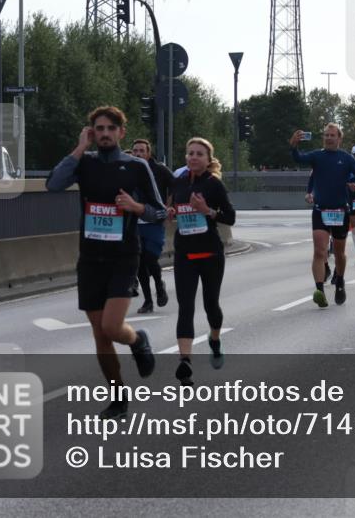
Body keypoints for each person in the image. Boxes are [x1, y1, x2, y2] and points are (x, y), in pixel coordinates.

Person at [45, 106, 164, 419]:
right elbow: (53, 184)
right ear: (92, 132)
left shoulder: (136, 166)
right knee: (100, 334)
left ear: (121, 132)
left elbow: (160, 211)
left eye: (111, 128)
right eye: (99, 128)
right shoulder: (84, 163)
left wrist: (135, 206)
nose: (106, 133)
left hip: (124, 256)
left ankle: (138, 339)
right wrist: (80, 147)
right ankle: (118, 398)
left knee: (112, 327)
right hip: (90, 258)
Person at [167, 138, 235, 382]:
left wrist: (208, 211)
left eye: (199, 154)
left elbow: (230, 217)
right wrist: (171, 212)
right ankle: (185, 362)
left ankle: (214, 339)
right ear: (186, 157)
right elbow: (172, 208)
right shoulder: (178, 183)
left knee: (210, 306)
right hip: (185, 253)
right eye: (190, 153)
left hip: (210, 254)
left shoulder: (213, 185)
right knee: (185, 307)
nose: (194, 157)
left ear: (208, 160)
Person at [290, 124, 355, 307]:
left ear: (339, 138)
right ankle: (320, 290)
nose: (329, 138)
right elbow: (298, 158)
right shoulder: (317, 156)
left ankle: (340, 280)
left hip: (340, 211)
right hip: (320, 210)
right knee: (319, 251)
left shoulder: (346, 158)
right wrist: (293, 145)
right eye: (326, 135)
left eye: (332, 135)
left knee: (340, 253)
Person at [130, 139, 174, 313]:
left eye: (142, 150)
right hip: (135, 222)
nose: (138, 154)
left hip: (155, 220)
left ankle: (159, 286)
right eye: (135, 151)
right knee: (139, 262)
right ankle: (148, 300)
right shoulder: (128, 170)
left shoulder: (159, 169)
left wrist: (170, 205)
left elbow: (175, 185)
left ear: (148, 153)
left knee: (150, 258)